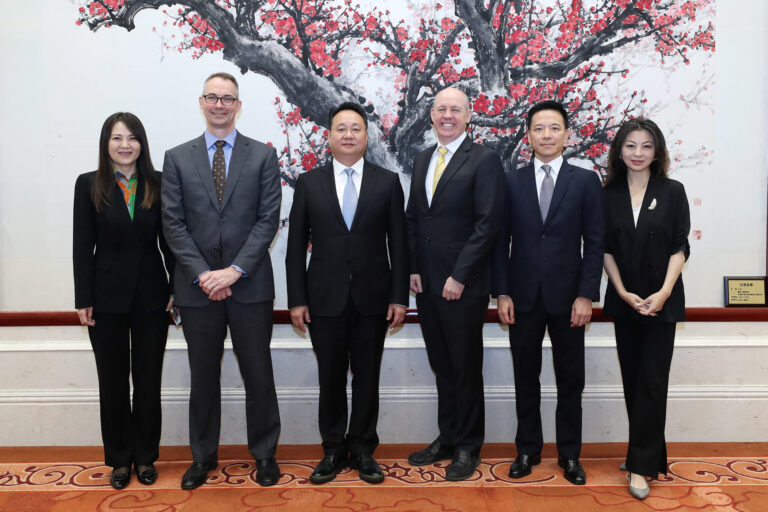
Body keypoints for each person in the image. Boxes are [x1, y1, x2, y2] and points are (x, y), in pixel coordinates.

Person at [161, 72, 282, 490]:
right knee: (202, 377)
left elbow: (267, 220)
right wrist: (203, 275)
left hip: (250, 285)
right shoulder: (177, 158)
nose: (219, 105)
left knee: (258, 374)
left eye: (227, 98)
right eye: (212, 97)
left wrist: (234, 271)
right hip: (197, 289)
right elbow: (173, 223)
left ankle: (265, 455)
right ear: (201, 102)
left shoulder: (263, 156)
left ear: (238, 105)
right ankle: (202, 457)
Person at [286, 102, 408, 484]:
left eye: (356, 128)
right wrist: (296, 300)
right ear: (329, 136)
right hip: (324, 300)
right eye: (341, 128)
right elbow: (294, 248)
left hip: (374, 300)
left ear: (366, 136)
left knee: (367, 378)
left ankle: (363, 450)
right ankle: (333, 450)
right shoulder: (309, 183)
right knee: (331, 378)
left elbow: (399, 245)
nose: (349, 135)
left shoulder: (387, 182)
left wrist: (399, 297)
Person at [492, 100, 605, 485]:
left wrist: (586, 295)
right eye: (538, 128)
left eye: (554, 128)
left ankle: (570, 455)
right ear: (528, 136)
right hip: (521, 297)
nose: (546, 135)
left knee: (571, 380)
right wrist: (502, 292)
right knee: (526, 377)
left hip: (570, 299)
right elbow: (499, 241)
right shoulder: (511, 181)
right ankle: (527, 450)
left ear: (566, 135)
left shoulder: (585, 181)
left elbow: (595, 242)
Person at [405, 87, 504, 481]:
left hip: (463, 284)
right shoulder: (422, 159)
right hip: (427, 284)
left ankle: (467, 446)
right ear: (432, 115)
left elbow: (488, 224)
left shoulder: (484, 159)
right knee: (442, 365)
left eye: (455, 110)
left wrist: (459, 276)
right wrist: (414, 267)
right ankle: (447, 438)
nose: (447, 115)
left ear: (468, 116)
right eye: (441, 109)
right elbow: (414, 219)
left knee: (464, 367)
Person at [73, 112, 174, 490]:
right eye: (117, 138)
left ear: (142, 144)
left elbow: (170, 242)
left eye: (132, 138)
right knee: (112, 382)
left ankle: (145, 457)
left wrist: (176, 288)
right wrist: (83, 297)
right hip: (105, 298)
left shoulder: (159, 183)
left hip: (152, 296)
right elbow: (82, 246)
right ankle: (119, 459)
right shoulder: (88, 184)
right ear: (106, 144)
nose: (125, 145)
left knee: (148, 381)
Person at [602, 118, 690, 500]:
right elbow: (604, 249)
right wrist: (622, 292)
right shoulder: (608, 193)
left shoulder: (672, 191)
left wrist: (664, 292)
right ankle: (647, 453)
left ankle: (640, 466)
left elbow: (680, 246)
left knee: (652, 382)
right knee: (633, 379)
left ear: (658, 152)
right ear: (619, 151)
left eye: (646, 146)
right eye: (631, 145)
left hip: (661, 301)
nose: (638, 153)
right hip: (626, 302)